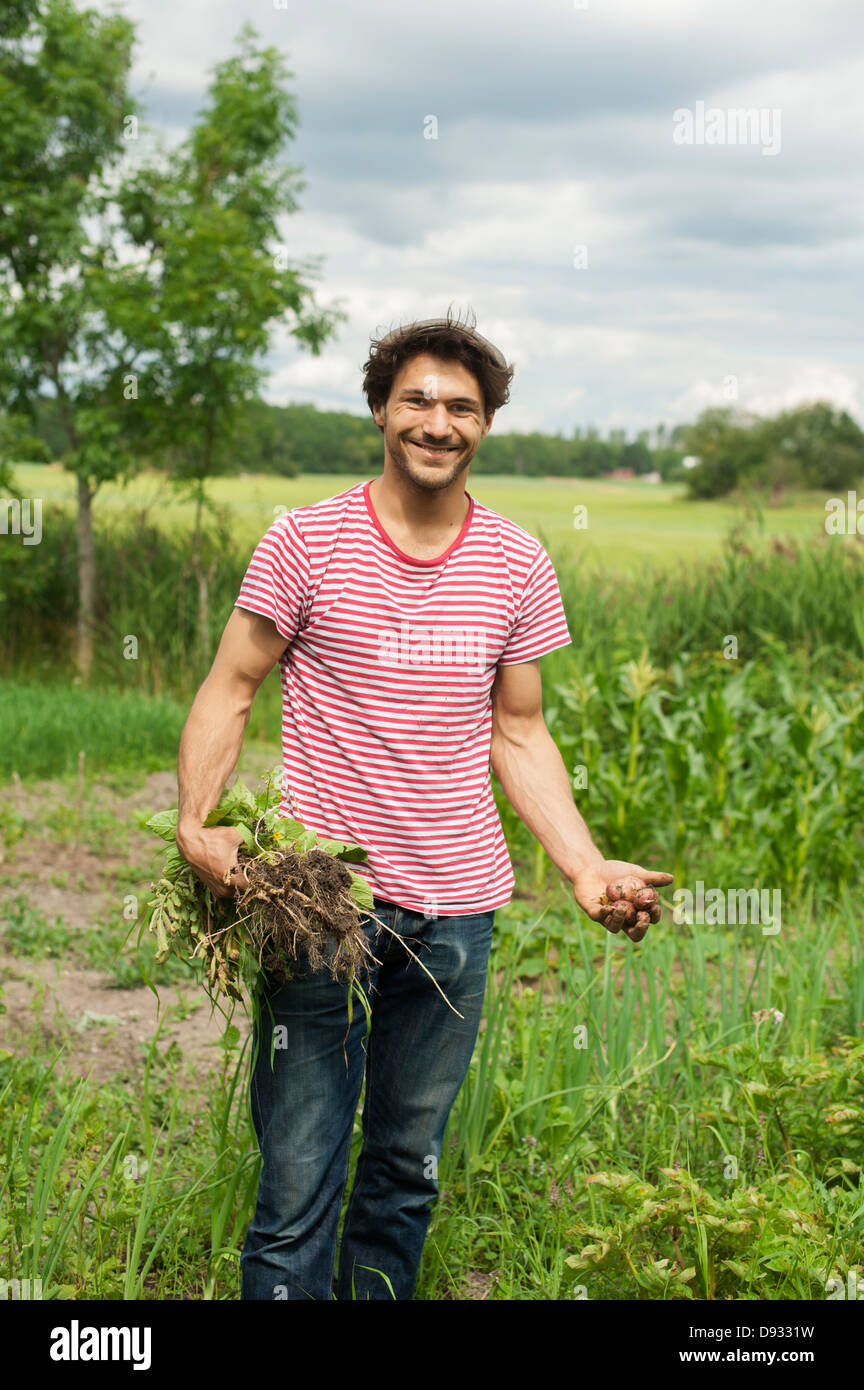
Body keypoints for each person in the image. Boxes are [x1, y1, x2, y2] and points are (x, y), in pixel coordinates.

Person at [174, 310, 673, 1300]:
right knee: (300, 1170)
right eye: (418, 400)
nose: (437, 421)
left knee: (406, 1169)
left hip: (458, 912)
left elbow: (520, 732)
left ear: (484, 424)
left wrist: (583, 865)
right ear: (378, 411)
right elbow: (230, 684)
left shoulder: (519, 561)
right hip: (320, 902)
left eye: (461, 405)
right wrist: (197, 824)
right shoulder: (305, 540)